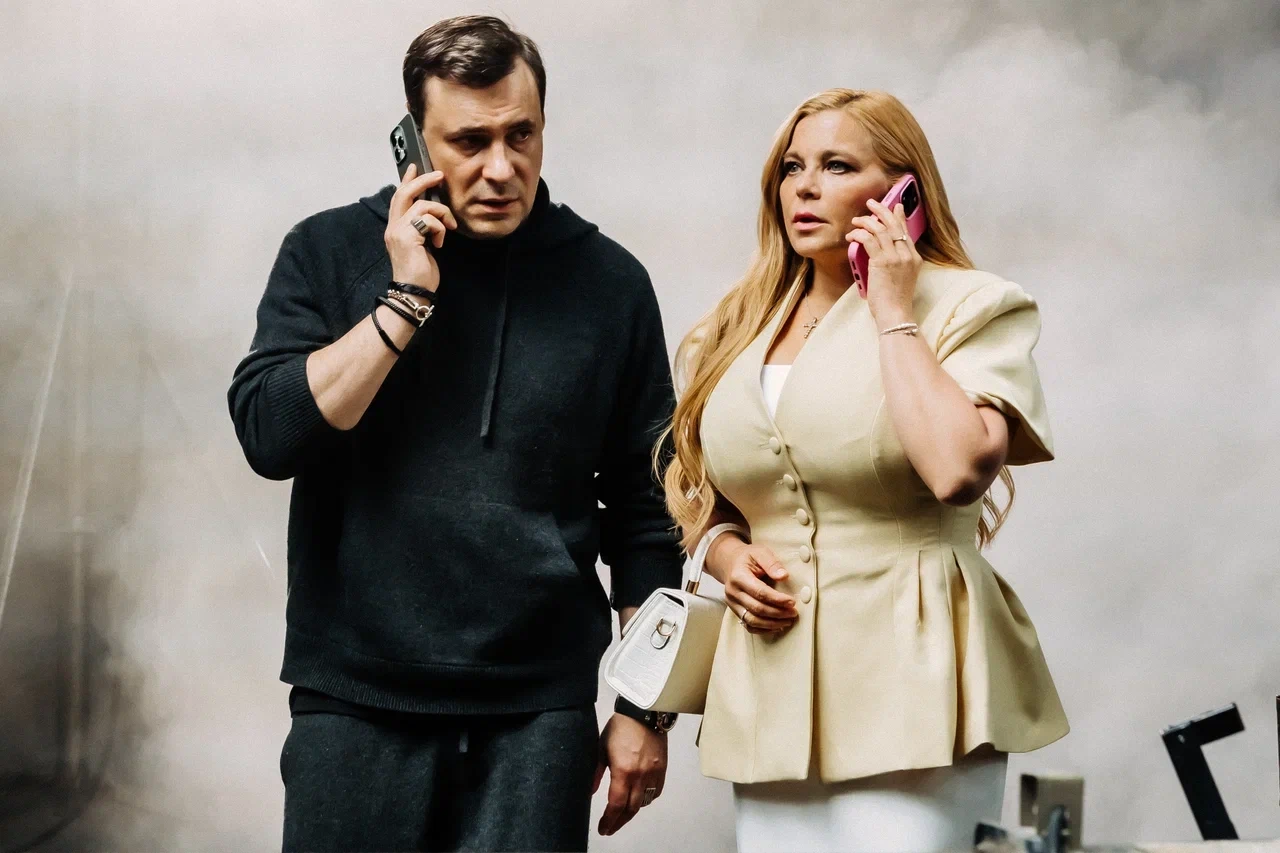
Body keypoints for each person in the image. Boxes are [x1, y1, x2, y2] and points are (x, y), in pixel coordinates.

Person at [227, 16, 681, 852]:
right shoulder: (327, 250)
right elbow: (270, 437)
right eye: (470, 142)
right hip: (355, 699)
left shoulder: (612, 284)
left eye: (521, 135)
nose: (501, 168)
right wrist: (405, 298)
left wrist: (646, 707)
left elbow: (648, 514)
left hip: (537, 712)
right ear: (414, 142)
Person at [660, 88, 1070, 853]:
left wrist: (893, 310)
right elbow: (708, 494)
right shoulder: (740, 323)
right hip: (770, 679)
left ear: (902, 189)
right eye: (792, 168)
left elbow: (956, 469)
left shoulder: (974, 305)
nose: (804, 188)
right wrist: (723, 553)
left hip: (915, 673)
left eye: (837, 166)